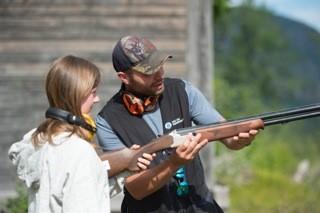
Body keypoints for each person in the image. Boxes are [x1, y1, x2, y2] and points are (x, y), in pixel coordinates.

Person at [96, 36, 259, 213]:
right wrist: (173, 163)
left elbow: (227, 136)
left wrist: (241, 140)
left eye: (160, 64)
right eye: (148, 71)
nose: (159, 74)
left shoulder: (182, 91)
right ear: (124, 77)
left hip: (199, 206)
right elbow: (136, 190)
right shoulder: (108, 120)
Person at [7, 55, 158, 213]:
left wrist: (127, 168)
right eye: (93, 92)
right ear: (76, 95)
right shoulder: (78, 151)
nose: (97, 99)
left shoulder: (40, 141)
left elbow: (87, 193)